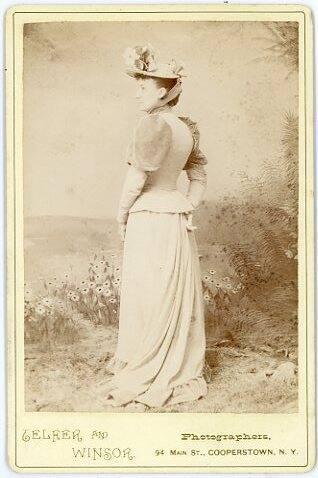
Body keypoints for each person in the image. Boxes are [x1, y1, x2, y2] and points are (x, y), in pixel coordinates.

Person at [104, 44, 208, 410]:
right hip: (176, 220)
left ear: (163, 90)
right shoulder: (186, 129)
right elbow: (198, 178)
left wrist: (121, 214)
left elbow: (136, 180)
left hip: (148, 218)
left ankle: (147, 367)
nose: (137, 94)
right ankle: (176, 366)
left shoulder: (153, 124)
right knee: (169, 293)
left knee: (148, 293)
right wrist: (187, 205)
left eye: (143, 88)